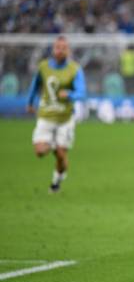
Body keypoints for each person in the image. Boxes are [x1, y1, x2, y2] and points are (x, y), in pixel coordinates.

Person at [26, 36, 87, 193]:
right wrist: (30, 102)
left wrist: (69, 94)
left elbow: (81, 92)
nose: (60, 51)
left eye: (63, 48)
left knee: (61, 156)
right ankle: (54, 144)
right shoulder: (44, 67)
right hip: (46, 115)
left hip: (65, 119)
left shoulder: (74, 69)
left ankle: (56, 182)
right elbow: (35, 85)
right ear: (53, 49)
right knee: (40, 151)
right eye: (57, 47)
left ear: (68, 50)